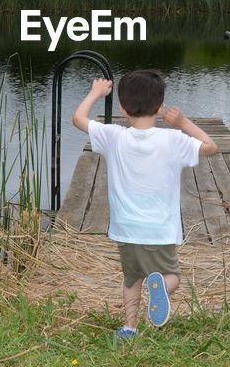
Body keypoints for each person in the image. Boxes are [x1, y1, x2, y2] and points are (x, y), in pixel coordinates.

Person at [71, 70, 218, 340]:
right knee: (171, 275)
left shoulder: (113, 136)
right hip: (158, 230)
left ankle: (129, 328)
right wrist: (182, 122)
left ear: (122, 108)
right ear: (161, 107)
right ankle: (161, 287)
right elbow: (210, 146)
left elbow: (78, 119)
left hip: (126, 230)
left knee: (131, 280)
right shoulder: (173, 140)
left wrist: (95, 92)